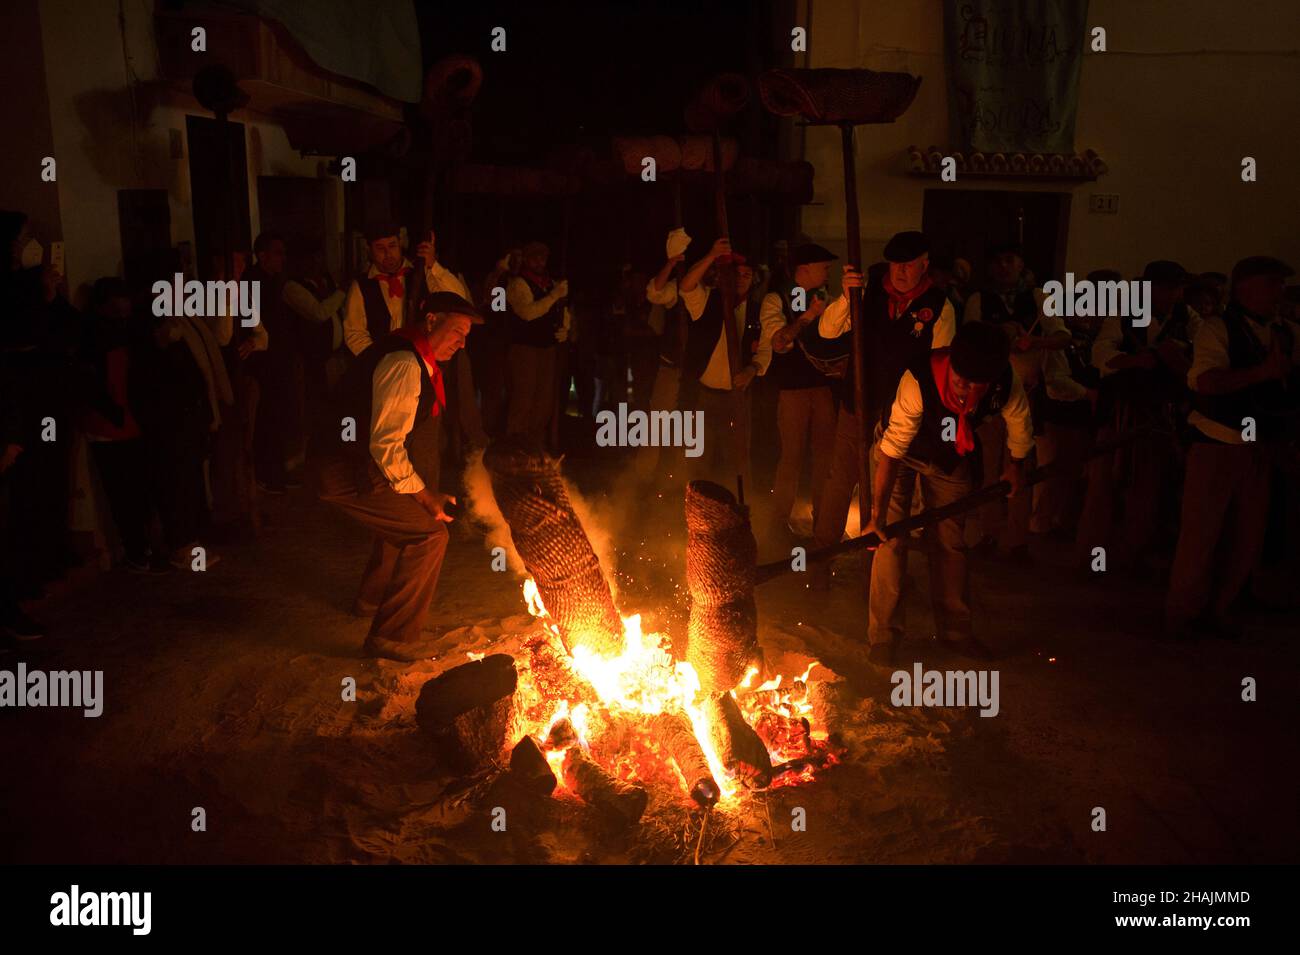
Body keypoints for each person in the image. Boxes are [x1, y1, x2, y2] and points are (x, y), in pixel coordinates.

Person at [316, 291, 484, 661]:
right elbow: (386, 447)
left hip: (354, 462)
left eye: (466, 335)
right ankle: (391, 638)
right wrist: (425, 496)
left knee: (407, 517)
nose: (461, 342)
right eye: (457, 331)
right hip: (346, 468)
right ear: (431, 321)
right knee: (428, 534)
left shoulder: (413, 357)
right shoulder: (404, 364)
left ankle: (370, 600)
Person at [862, 321, 1033, 664]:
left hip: (952, 456)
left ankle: (956, 632)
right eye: (960, 379)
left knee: (950, 543)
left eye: (975, 385)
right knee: (890, 540)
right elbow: (893, 450)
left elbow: (1020, 423)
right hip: (903, 453)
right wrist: (877, 515)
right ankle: (884, 636)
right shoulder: (918, 380)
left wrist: (1015, 466)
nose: (965, 389)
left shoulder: (1005, 382)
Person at [1166, 256, 1299, 640]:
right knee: (1201, 536)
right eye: (1272, 284)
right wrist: (1262, 373)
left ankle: (1219, 609)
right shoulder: (1216, 328)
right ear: (1246, 288)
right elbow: (1204, 383)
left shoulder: (1285, 332)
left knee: (1247, 536)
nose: (1279, 293)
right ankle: (1181, 616)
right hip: (1218, 443)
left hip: (1262, 447)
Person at [805, 231, 952, 570]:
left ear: (924, 266)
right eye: (895, 265)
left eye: (909, 266)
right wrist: (846, 297)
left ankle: (880, 560)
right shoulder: (867, 286)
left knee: (890, 484)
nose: (900, 273)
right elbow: (828, 332)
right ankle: (821, 554)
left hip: (902, 411)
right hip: (858, 399)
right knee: (840, 477)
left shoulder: (940, 305)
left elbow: (939, 364)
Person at [1076, 260, 1199, 572]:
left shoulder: (1188, 317)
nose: (1175, 294)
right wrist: (1135, 360)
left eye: (1179, 288)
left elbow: (1200, 351)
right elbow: (1101, 354)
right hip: (1120, 408)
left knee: (1147, 489)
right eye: (1169, 287)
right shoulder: (1125, 312)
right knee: (1104, 487)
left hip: (1159, 414)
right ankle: (1093, 559)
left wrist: (1177, 353)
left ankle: (1131, 556)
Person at [964, 242, 1071, 559]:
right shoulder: (978, 299)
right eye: (997, 261)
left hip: (1029, 392)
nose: (1003, 267)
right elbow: (969, 337)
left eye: (1010, 260)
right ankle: (988, 532)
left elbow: (1062, 336)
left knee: (1021, 464)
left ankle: (1016, 539)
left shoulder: (1039, 298)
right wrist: (1001, 334)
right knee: (988, 467)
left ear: (1021, 264)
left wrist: (1035, 340)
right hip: (990, 395)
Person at [764, 243, 840, 542]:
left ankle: (824, 518)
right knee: (791, 457)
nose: (827, 272)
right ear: (805, 269)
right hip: (793, 390)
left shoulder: (828, 299)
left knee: (825, 456)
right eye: (824, 267)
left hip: (823, 388)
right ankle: (778, 521)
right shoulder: (776, 299)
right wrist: (808, 315)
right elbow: (779, 342)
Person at [677, 237, 768, 487]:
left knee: (736, 460)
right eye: (737, 274)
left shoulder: (759, 310)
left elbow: (766, 348)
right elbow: (685, 286)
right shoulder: (709, 300)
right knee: (698, 458)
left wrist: (752, 368)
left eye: (747, 275)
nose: (742, 279)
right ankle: (696, 508)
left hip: (737, 398)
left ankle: (736, 510)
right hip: (703, 396)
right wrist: (711, 255)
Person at [504, 241, 569, 445]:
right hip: (525, 349)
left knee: (544, 403)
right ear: (527, 259)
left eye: (543, 257)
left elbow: (562, 311)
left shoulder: (550, 284)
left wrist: (564, 328)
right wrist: (553, 296)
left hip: (547, 349)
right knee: (523, 399)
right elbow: (528, 313)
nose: (540, 261)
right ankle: (515, 446)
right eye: (535, 257)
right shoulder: (518, 283)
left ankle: (534, 448)